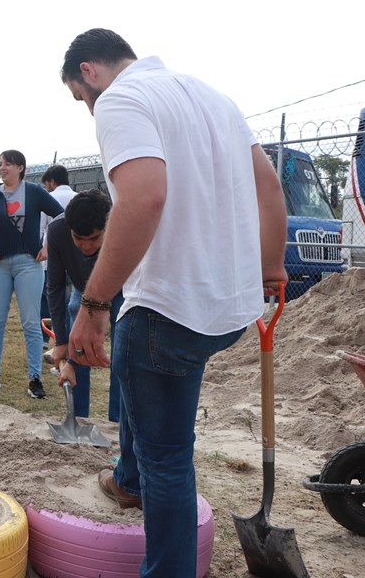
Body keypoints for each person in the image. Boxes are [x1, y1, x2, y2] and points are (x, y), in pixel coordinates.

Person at [60, 29, 288, 577]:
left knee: (169, 458)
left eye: (78, 96)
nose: (86, 107)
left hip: (168, 309)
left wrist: (93, 304)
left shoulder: (120, 100)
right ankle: (128, 480)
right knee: (147, 392)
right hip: (227, 309)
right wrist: (272, 266)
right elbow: (270, 190)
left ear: (89, 71)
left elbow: (144, 197)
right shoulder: (214, 99)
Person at [0, 150, 64, 399]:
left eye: (8, 164)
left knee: (31, 323)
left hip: (28, 264)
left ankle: (35, 379)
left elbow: (62, 215)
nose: (2, 168)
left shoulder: (34, 192)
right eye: (0, 164)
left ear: (21, 168)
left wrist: (48, 246)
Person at [46, 189, 123, 421]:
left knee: (123, 351)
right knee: (76, 346)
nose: (86, 246)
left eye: (94, 239)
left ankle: (118, 422)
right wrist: (60, 341)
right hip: (83, 287)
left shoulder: (122, 227)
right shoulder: (57, 231)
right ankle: (78, 418)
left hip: (122, 288)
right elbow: (56, 287)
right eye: (79, 238)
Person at [38, 165, 76, 354]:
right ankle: (67, 345)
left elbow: (41, 227)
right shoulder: (77, 198)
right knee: (71, 303)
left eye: (47, 185)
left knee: (53, 300)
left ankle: (51, 343)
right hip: (78, 260)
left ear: (52, 182)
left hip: (52, 259)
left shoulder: (49, 198)